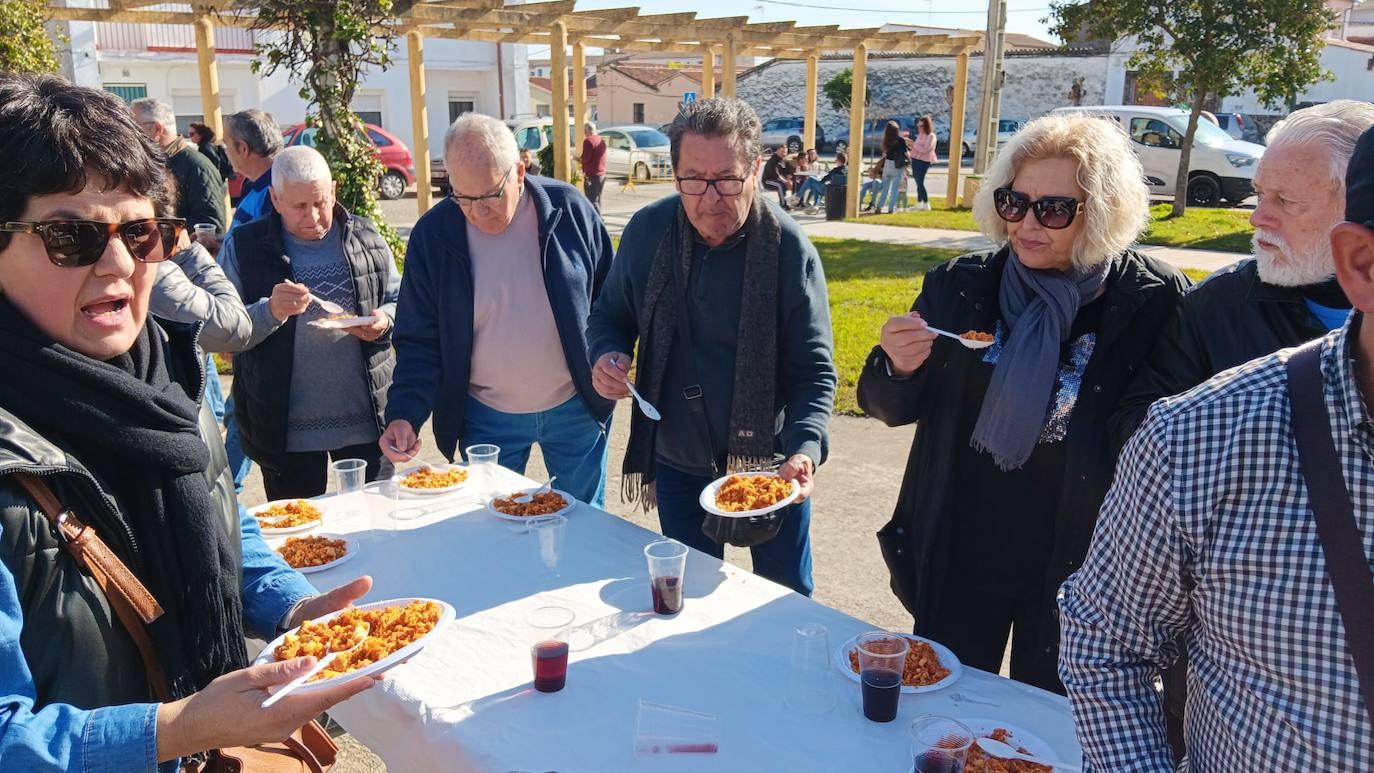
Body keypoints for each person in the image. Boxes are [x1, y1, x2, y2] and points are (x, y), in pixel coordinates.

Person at [0, 73, 375, 771]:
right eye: (71, 237)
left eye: (140, 233)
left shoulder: (167, 372)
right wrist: (179, 726)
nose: (118, 264)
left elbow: (220, 510)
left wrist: (297, 611)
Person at [1058, 124, 1374, 772]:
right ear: (1360, 259)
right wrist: (1255, 430)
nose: (1259, 216)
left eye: (1285, 201)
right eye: (1261, 194)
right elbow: (1104, 635)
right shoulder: (1214, 331)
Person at [855, 113, 1189, 692]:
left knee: (1057, 720)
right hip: (962, 546)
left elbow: (1168, 432)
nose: (1027, 223)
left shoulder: (1154, 302)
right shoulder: (960, 286)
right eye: (1014, 201)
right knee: (948, 701)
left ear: (1102, 212)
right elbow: (889, 406)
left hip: (1082, 561)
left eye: (1054, 209)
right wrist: (899, 365)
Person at [587, 97, 836, 596]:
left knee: (784, 598)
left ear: (756, 170)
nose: (709, 197)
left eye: (727, 178)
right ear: (674, 173)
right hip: (678, 459)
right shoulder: (648, 233)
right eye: (693, 179)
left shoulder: (789, 251)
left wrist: (805, 450)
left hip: (770, 467)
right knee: (688, 597)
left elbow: (814, 371)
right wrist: (606, 355)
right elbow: (610, 315)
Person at [381, 113, 615, 506]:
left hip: (575, 405)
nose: (477, 212)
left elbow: (611, 302)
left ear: (520, 171)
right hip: (486, 415)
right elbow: (419, 340)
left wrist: (612, 353)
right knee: (493, 532)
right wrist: (404, 413)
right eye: (463, 198)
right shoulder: (433, 236)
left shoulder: (571, 211)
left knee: (585, 530)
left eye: (490, 196)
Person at [221, 146, 399, 500]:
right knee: (303, 542)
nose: (314, 216)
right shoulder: (245, 247)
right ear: (274, 198)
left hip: (368, 423)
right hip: (286, 434)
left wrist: (384, 320)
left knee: (379, 532)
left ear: (333, 190)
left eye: (320, 202)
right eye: (299, 207)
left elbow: (399, 299)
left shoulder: (366, 238)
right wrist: (269, 311)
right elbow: (223, 330)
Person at [130, 98, 227, 233]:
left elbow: (210, 225)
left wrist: (160, 230)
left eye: (134, 127)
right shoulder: (153, 163)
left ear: (157, 128)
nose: (131, 135)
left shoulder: (197, 167)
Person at [223, 108, 283, 233]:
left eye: (226, 145)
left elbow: (264, 249)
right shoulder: (253, 184)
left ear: (243, 148)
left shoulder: (273, 193)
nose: (226, 151)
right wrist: (220, 242)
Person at [873, 120, 910, 214]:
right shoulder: (900, 140)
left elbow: (885, 154)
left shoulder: (886, 141)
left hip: (887, 165)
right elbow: (905, 153)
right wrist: (910, 159)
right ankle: (891, 208)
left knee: (885, 188)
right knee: (895, 189)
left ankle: (879, 207)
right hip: (897, 165)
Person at [907, 115, 937, 211]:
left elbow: (926, 149)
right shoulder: (920, 135)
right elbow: (917, 148)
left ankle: (926, 202)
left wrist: (913, 144)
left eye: (921, 126)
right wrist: (910, 146)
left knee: (920, 181)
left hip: (924, 161)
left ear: (926, 126)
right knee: (917, 181)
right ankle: (920, 202)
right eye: (918, 126)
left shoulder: (931, 136)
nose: (919, 128)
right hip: (915, 159)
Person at [579, 122, 607, 213]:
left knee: (592, 201)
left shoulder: (588, 141)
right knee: (598, 199)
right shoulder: (601, 139)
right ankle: (599, 219)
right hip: (602, 174)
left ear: (586, 131)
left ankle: (597, 221)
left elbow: (585, 159)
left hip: (592, 175)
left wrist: (576, 158)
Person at [761, 145, 793, 210]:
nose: (784, 154)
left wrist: (789, 179)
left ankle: (797, 200)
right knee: (780, 185)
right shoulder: (772, 161)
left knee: (795, 182)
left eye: (785, 152)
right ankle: (783, 204)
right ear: (777, 151)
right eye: (782, 151)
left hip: (780, 180)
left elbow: (789, 171)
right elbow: (775, 174)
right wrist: (785, 181)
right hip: (768, 181)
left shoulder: (785, 161)